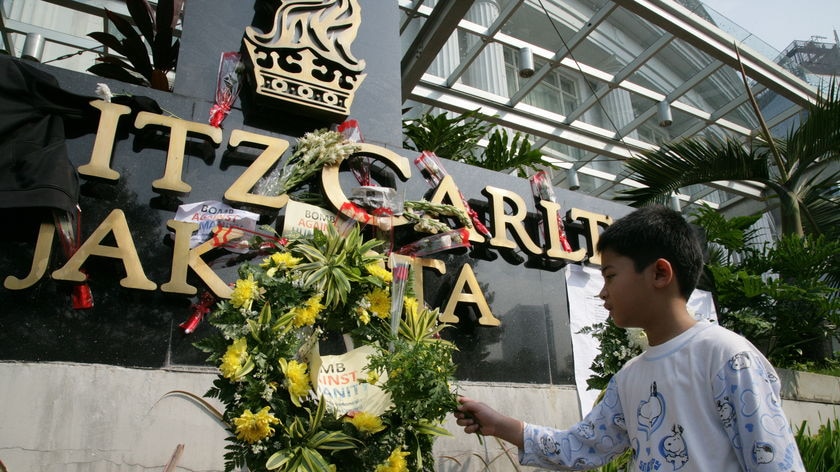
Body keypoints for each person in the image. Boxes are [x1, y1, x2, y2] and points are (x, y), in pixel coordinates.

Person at [455, 205, 804, 471]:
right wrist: (499, 424)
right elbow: (581, 446)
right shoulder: (629, 378)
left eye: (609, 276)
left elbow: (774, 462)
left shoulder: (727, 357)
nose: (602, 293)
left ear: (659, 273)